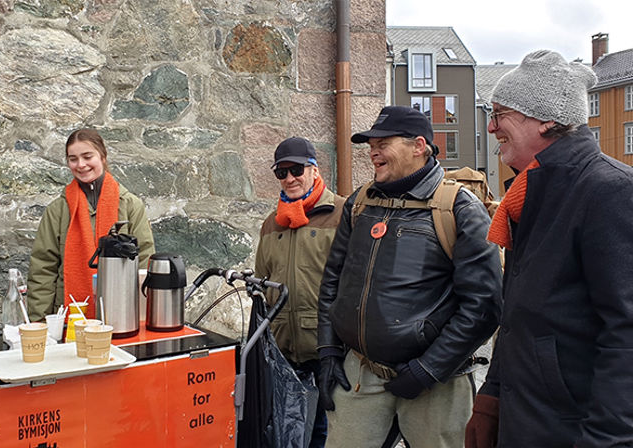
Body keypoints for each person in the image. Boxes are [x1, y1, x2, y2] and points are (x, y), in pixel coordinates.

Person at [465, 50, 633, 448]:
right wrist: (492, 397)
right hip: (528, 418)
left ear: (546, 119)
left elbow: (626, 335)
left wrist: (605, 441)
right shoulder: (532, 193)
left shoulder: (610, 191)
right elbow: (521, 317)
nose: (491, 127)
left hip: (574, 429)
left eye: (501, 113)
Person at [316, 106, 501, 448]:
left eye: (383, 143)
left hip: (437, 382)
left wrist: (429, 369)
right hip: (361, 373)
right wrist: (328, 350)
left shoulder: (459, 208)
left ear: (419, 146)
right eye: (370, 143)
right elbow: (332, 282)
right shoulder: (359, 203)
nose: (372, 151)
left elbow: (484, 307)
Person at [253, 136, 345, 447]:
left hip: (329, 346)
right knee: (290, 429)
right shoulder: (271, 225)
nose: (290, 178)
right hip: (285, 349)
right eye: (282, 172)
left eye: (297, 169)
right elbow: (261, 281)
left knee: (327, 428)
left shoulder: (342, 214)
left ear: (314, 170)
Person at [27, 128, 155, 322]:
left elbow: (144, 263)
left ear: (102, 156)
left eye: (87, 156)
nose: (81, 165)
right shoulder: (57, 210)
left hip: (122, 316)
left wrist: (142, 317)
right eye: (73, 159)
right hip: (67, 319)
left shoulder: (130, 206)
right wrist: (40, 322)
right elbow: (43, 269)